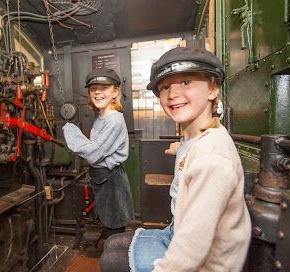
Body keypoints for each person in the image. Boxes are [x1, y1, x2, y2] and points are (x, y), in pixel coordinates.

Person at [99, 47, 251, 272]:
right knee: (112, 243)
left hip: (208, 262)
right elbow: (190, 148)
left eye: (186, 82)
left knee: (110, 261)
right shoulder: (198, 136)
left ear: (213, 88)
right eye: (165, 87)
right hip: (176, 231)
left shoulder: (211, 158)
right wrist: (179, 148)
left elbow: (192, 249)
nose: (172, 94)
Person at [62, 68, 134, 242]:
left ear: (115, 91)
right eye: (94, 88)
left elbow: (94, 153)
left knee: (114, 230)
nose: (98, 92)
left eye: (104, 87)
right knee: (107, 222)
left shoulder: (114, 120)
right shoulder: (101, 117)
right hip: (101, 177)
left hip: (111, 181)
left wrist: (70, 131)